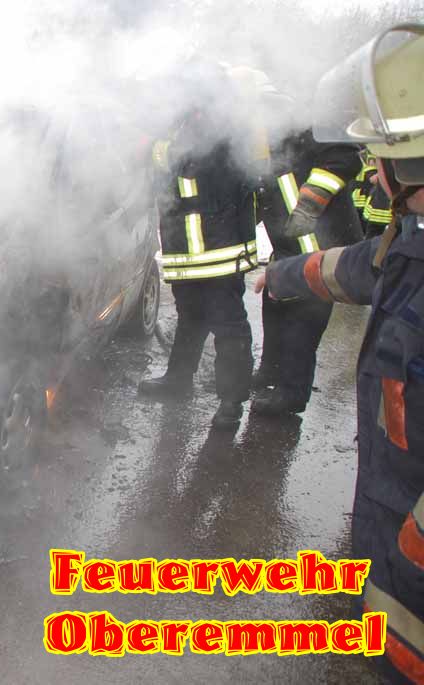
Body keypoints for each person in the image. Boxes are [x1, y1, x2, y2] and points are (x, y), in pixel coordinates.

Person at [257, 24, 424, 683]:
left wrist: (405, 560)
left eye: (379, 158)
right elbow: (356, 267)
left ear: (403, 168)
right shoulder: (410, 245)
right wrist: (283, 275)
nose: (373, 176)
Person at [139, 61, 258, 430]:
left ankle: (231, 402)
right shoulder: (185, 122)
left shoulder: (220, 124)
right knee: (190, 316)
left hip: (217, 248)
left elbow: (185, 164)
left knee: (227, 323)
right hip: (187, 248)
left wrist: (154, 145)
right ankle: (178, 380)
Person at [251, 75, 363, 415]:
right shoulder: (258, 146)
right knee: (274, 307)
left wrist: (310, 203)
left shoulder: (303, 128)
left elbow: (347, 158)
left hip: (321, 250)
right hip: (288, 250)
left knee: (303, 323)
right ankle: (269, 372)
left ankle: (291, 395)